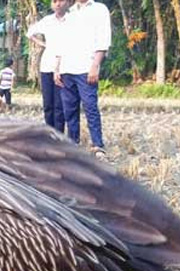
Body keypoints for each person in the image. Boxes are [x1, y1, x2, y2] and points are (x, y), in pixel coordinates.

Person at [54, 0, 111, 159]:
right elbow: (61, 42)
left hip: (86, 68)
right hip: (67, 69)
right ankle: (73, 144)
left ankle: (98, 145)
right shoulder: (70, 12)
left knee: (90, 106)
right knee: (69, 110)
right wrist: (57, 68)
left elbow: (103, 40)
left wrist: (95, 65)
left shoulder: (99, 9)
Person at [28, 0, 68, 132]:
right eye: (54, 1)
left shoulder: (71, 20)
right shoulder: (47, 21)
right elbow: (30, 33)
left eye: (61, 1)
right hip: (46, 66)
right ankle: (49, 134)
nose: (58, 4)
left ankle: (59, 135)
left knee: (59, 105)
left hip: (64, 66)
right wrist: (44, 44)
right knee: (48, 104)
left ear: (67, 2)